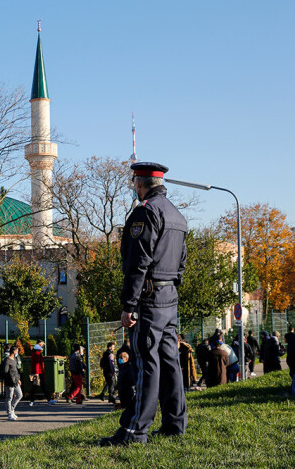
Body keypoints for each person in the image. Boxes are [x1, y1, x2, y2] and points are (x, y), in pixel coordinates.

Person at [101, 162, 188, 447]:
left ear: (140, 183)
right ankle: (175, 424)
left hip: (149, 299)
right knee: (170, 362)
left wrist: (129, 304)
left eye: (135, 183)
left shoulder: (145, 211)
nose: (134, 188)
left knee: (146, 364)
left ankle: (135, 432)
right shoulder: (176, 214)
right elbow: (182, 262)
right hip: (169, 298)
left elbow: (138, 263)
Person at [29, 340, 57, 406]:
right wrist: (37, 372)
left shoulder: (35, 351)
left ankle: (32, 401)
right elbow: (37, 363)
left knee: (35, 386)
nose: (42, 346)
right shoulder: (37, 353)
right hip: (38, 372)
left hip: (37, 371)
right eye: (42, 344)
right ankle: (49, 400)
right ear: (39, 344)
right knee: (41, 386)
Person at [2, 346, 22, 421]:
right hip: (10, 381)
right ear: (14, 351)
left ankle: (12, 409)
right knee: (9, 397)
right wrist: (9, 379)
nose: (17, 352)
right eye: (17, 351)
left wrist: (18, 379)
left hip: (15, 381)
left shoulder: (14, 359)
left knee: (20, 395)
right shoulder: (8, 360)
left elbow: (15, 370)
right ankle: (9, 413)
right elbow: (5, 371)